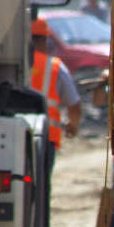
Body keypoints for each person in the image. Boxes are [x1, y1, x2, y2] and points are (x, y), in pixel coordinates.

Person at [30, 16, 82, 149]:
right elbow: (74, 104)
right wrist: (73, 125)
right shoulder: (54, 66)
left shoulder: (13, 66)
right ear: (44, 39)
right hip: (46, 136)